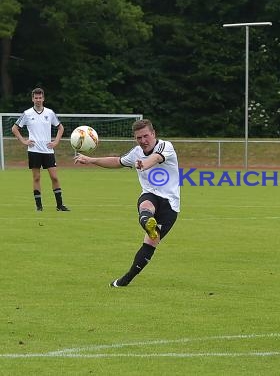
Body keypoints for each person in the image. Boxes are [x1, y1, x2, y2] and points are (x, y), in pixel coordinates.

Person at [74, 119, 180, 287]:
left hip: (170, 204)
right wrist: (91, 160)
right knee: (146, 204)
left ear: (153, 134)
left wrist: (144, 164)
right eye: (139, 138)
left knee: (150, 244)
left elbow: (156, 158)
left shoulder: (165, 146)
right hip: (151, 195)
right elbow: (117, 161)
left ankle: (127, 277)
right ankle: (147, 223)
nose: (143, 141)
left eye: (146, 136)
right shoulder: (136, 152)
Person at [11, 88, 70, 211]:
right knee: (36, 178)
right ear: (32, 99)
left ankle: (60, 205)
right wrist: (24, 141)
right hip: (34, 151)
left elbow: (61, 128)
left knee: (54, 177)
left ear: (43, 98)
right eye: (36, 98)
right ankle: (39, 206)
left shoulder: (49, 113)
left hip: (48, 151)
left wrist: (56, 142)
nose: (38, 100)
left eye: (40, 97)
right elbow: (14, 128)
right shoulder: (27, 114)